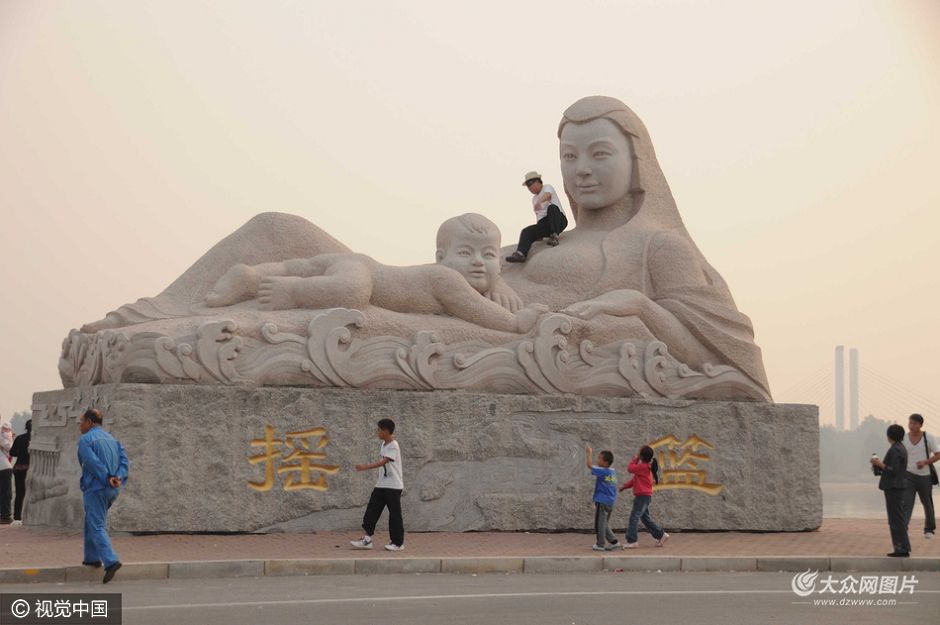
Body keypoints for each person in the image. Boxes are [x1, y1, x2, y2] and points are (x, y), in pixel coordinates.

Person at [203, 213, 544, 332]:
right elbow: (476, 309)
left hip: (360, 265)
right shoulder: (447, 279)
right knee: (350, 292)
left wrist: (497, 282)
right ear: (441, 258)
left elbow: (480, 293)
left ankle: (252, 276)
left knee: (307, 266)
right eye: (465, 253)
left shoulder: (445, 276)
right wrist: (515, 323)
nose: (478, 262)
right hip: (365, 276)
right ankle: (291, 290)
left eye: (489, 255)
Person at [78, 408, 129, 582]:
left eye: (81, 421)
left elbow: (91, 462)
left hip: (96, 487)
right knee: (91, 520)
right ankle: (91, 558)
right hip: (112, 488)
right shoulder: (113, 439)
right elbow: (124, 461)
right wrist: (118, 477)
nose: (80, 425)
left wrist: (106, 477)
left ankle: (111, 561)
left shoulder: (85, 440)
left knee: (97, 525)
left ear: (90, 422)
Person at [350, 418, 405, 552]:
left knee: (395, 515)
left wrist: (365, 467)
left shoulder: (393, 445)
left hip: (393, 486)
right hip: (381, 484)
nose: (377, 432)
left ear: (386, 431)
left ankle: (397, 543)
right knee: (372, 510)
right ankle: (367, 539)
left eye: (379, 430)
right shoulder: (384, 444)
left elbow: (384, 462)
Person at [505, 171, 569, 262]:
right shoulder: (534, 199)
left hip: (558, 220)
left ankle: (555, 235)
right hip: (545, 224)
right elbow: (539, 216)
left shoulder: (547, 187)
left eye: (530, 184)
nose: (529, 188)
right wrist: (538, 232)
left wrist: (540, 201)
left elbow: (548, 195)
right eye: (527, 186)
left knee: (552, 208)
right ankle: (521, 254)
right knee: (526, 231)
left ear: (537, 182)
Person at [871, 424, 912, 557]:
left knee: (895, 519)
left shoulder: (895, 450)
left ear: (889, 436)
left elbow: (892, 470)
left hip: (894, 487)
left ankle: (901, 549)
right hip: (898, 486)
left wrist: (878, 463)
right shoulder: (901, 448)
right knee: (897, 518)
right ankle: (902, 547)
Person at [620, 445, 669, 549]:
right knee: (645, 518)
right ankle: (661, 535)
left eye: (639, 453)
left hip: (642, 496)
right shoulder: (644, 468)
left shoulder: (643, 467)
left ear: (642, 456)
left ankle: (632, 541)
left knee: (634, 517)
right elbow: (634, 480)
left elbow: (630, 468)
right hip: (644, 496)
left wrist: (636, 457)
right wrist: (625, 486)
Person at [902, 413, 939, 539]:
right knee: (906, 503)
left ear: (921, 425)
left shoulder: (928, 437)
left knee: (927, 503)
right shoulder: (904, 438)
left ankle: (929, 529)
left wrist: (925, 462)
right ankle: (903, 528)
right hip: (908, 475)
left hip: (925, 476)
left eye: (915, 423)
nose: (911, 426)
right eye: (910, 422)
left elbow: (938, 454)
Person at [585, 446, 619, 551]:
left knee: (599, 524)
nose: (597, 459)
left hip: (603, 502)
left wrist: (589, 453)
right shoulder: (612, 472)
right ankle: (614, 541)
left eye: (600, 458)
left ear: (605, 463)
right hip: (610, 502)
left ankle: (600, 544)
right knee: (603, 524)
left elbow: (589, 465)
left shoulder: (603, 471)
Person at [9, 419, 31, 523]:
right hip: (30, 469)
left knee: (19, 493)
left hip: (19, 468)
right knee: (30, 493)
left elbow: (12, 452)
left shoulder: (19, 438)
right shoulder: (35, 439)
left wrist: (20, 452)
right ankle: (28, 515)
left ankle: (17, 516)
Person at [0, 422, 12, 524]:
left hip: (4, 467)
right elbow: (8, 447)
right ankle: (5, 516)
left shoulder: (4, 432)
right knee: (5, 493)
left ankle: (5, 516)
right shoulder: (4, 434)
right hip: (4, 467)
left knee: (5, 493)